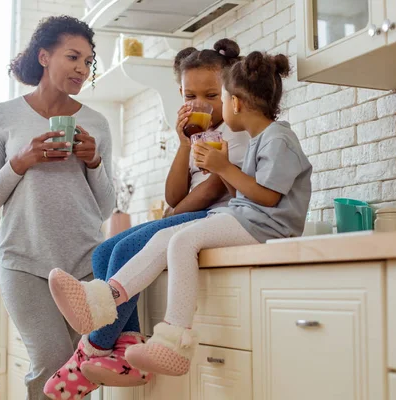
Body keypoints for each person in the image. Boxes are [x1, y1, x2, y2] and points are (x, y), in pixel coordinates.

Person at [47, 51, 312, 378]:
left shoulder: (278, 139)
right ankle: (100, 301)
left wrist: (224, 168)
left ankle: (171, 343)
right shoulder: (262, 139)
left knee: (181, 241)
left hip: (264, 226)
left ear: (237, 103)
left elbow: (269, 198)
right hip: (247, 219)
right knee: (165, 238)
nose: (215, 105)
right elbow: (240, 195)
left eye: (222, 97)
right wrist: (221, 168)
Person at [0, 15, 114, 400]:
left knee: (78, 373)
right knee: (54, 363)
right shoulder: (1, 117)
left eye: (88, 61)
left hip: (85, 262)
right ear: (44, 56)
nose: (82, 68)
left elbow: (106, 208)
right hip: (24, 262)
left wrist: (95, 162)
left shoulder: (96, 123)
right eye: (73, 57)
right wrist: (20, 160)